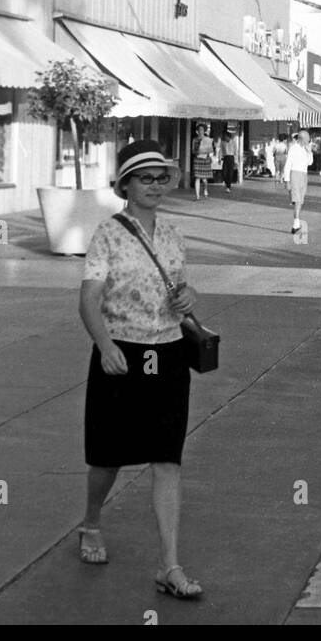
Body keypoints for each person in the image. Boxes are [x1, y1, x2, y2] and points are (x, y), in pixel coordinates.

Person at [78, 140, 202, 598]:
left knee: (167, 458)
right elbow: (89, 297)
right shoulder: (107, 233)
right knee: (108, 456)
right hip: (121, 353)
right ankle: (91, 522)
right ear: (125, 185)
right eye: (145, 178)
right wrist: (105, 344)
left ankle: (169, 565)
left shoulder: (173, 235)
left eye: (161, 178)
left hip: (168, 353)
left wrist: (187, 298)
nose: (155, 186)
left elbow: (179, 288)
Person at [284, 129, 313, 233]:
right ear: (302, 139)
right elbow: (288, 165)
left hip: (304, 175)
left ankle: (296, 222)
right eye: (307, 139)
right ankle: (296, 223)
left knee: (300, 200)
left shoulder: (305, 149)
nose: (308, 141)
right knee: (297, 200)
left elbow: (309, 163)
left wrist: (310, 152)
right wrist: (287, 180)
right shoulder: (293, 149)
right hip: (295, 174)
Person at [191, 123, 213, 201]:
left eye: (202, 130)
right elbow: (192, 150)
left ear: (204, 131)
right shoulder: (195, 139)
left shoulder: (207, 139)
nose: (200, 131)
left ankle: (205, 189)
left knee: (204, 178)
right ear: (197, 131)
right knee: (197, 177)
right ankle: (197, 196)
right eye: (199, 130)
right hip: (197, 159)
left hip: (205, 159)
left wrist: (209, 156)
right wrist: (196, 151)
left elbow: (210, 150)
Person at [221, 127, 238, 191]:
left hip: (231, 157)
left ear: (229, 137)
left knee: (230, 172)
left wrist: (236, 161)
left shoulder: (233, 142)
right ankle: (226, 183)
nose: (225, 138)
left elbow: (236, 152)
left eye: (226, 136)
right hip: (225, 157)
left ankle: (228, 185)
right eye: (224, 136)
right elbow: (221, 150)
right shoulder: (223, 142)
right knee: (224, 172)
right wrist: (220, 158)